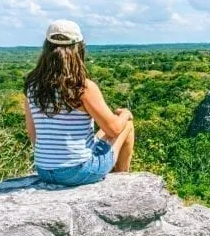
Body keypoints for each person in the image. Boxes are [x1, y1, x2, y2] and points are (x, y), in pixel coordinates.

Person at [22, 19, 134, 186]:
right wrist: (124, 114)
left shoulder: (32, 85)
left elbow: (33, 135)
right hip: (78, 171)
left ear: (46, 47)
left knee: (99, 137)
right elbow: (113, 129)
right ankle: (122, 179)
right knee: (126, 125)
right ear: (79, 48)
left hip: (44, 170)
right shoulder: (82, 87)